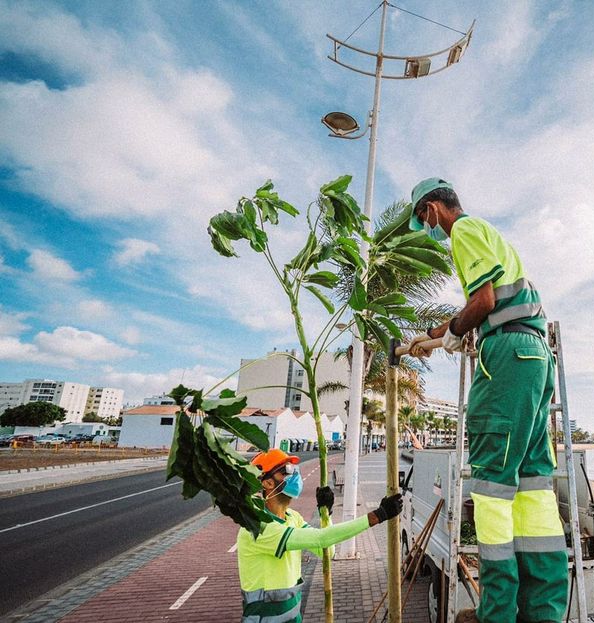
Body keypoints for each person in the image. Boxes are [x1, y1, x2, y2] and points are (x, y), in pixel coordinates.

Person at [406, 179, 568, 623]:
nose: (426, 227)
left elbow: (483, 300)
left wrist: (457, 333)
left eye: (423, 219)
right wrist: (434, 336)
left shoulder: (463, 231)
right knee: (534, 484)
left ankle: (497, 613)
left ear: (433, 208)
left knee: (493, 486)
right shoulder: (490, 237)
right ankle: (545, 612)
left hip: (507, 357)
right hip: (533, 356)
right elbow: (480, 304)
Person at [236, 449, 402, 623]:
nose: (296, 474)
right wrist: (376, 516)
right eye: (288, 470)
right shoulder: (257, 526)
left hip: (293, 617)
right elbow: (320, 538)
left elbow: (327, 552)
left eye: (295, 468)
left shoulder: (292, 517)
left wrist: (326, 514)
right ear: (268, 483)